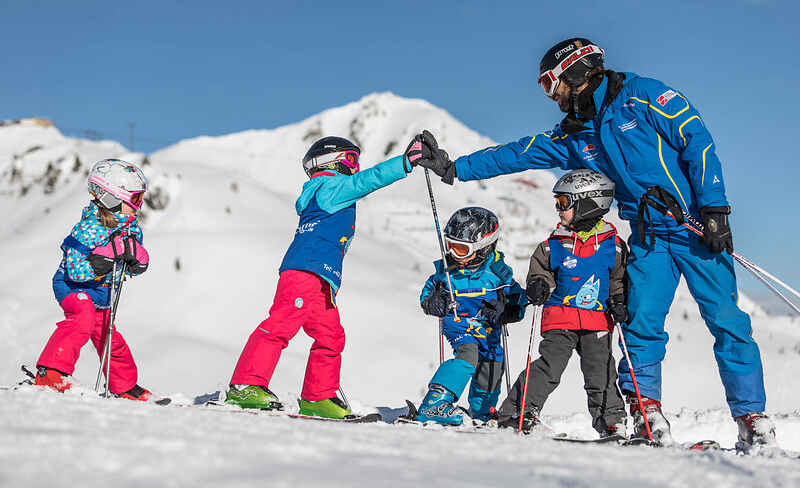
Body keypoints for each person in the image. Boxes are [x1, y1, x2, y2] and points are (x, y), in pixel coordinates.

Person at [418, 37, 775, 445]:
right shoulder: (574, 134)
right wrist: (454, 168)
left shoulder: (644, 96)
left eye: (551, 84)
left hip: (696, 229)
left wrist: (715, 209)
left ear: (575, 72)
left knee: (728, 322)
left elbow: (697, 139)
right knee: (641, 326)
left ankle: (752, 418)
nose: (552, 95)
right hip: (649, 239)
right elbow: (516, 154)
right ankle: (647, 412)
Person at [226, 134, 435, 418]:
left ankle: (318, 397)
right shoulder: (330, 187)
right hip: (305, 271)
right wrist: (405, 162)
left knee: (331, 336)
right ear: (328, 162)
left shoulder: (327, 190)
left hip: (321, 279)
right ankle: (246, 385)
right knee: (281, 324)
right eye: (351, 159)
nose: (356, 167)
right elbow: (368, 180)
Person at [495, 169, 627, 438]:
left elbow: (618, 278)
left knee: (601, 372)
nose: (558, 209)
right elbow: (540, 271)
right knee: (549, 366)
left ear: (589, 203)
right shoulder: (552, 245)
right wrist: (539, 284)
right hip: (561, 317)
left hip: (597, 320)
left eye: (563, 203)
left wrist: (618, 299)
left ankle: (612, 422)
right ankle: (518, 412)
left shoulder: (614, 246)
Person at [35, 159, 156, 401]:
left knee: (109, 335)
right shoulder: (89, 227)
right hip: (71, 286)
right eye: (135, 199)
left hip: (103, 292)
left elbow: (127, 269)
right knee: (83, 319)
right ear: (111, 197)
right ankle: (51, 372)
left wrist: (136, 262)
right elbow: (75, 271)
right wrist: (104, 258)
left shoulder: (132, 229)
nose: (139, 205)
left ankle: (124, 386)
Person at [414, 207, 526, 426]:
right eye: (450, 246)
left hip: (488, 329)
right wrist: (433, 302)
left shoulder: (497, 274)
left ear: (484, 247)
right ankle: (435, 402)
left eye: (461, 249)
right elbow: (427, 295)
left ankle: (482, 411)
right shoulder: (446, 272)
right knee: (468, 355)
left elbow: (517, 298)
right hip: (459, 324)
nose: (454, 254)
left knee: (492, 366)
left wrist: (508, 310)